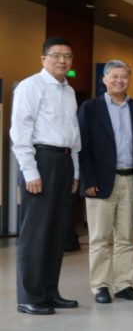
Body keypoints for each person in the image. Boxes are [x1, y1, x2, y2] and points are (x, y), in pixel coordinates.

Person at [10, 37, 82, 315]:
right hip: (41, 161)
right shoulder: (31, 86)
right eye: (56, 55)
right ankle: (29, 296)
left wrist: (74, 170)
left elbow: (74, 135)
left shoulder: (69, 91)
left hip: (64, 162)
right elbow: (20, 132)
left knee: (56, 233)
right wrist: (30, 171)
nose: (62, 61)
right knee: (35, 233)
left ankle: (49, 292)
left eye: (67, 56)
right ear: (43, 59)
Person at [77, 59, 133, 304]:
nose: (119, 80)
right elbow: (82, 147)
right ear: (104, 79)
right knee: (98, 238)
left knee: (125, 237)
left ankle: (123, 284)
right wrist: (87, 179)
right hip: (100, 182)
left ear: (129, 79)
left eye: (124, 76)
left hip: (130, 179)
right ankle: (100, 287)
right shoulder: (90, 108)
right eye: (114, 76)